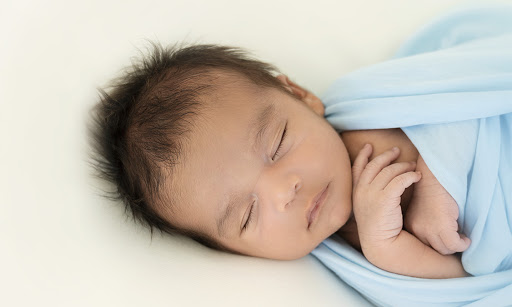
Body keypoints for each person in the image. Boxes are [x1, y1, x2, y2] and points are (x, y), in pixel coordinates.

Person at [90, 43, 471, 279]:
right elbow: (462, 281)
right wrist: (384, 246)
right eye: (247, 215)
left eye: (277, 145)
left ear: (301, 97)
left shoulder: (366, 136)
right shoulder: (351, 260)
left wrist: (438, 183)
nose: (284, 191)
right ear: (235, 253)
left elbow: (461, 110)